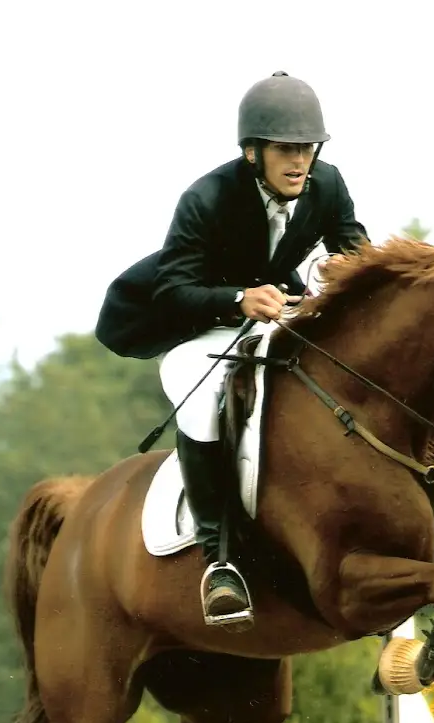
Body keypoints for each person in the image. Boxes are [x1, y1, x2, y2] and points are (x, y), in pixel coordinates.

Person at [96, 71, 368, 628]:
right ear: (253, 152)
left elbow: (357, 252)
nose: (299, 162)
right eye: (285, 150)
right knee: (200, 399)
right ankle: (219, 559)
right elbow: (173, 289)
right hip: (196, 321)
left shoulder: (328, 184)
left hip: (274, 309)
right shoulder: (207, 198)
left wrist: (346, 273)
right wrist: (239, 299)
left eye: (306, 149)